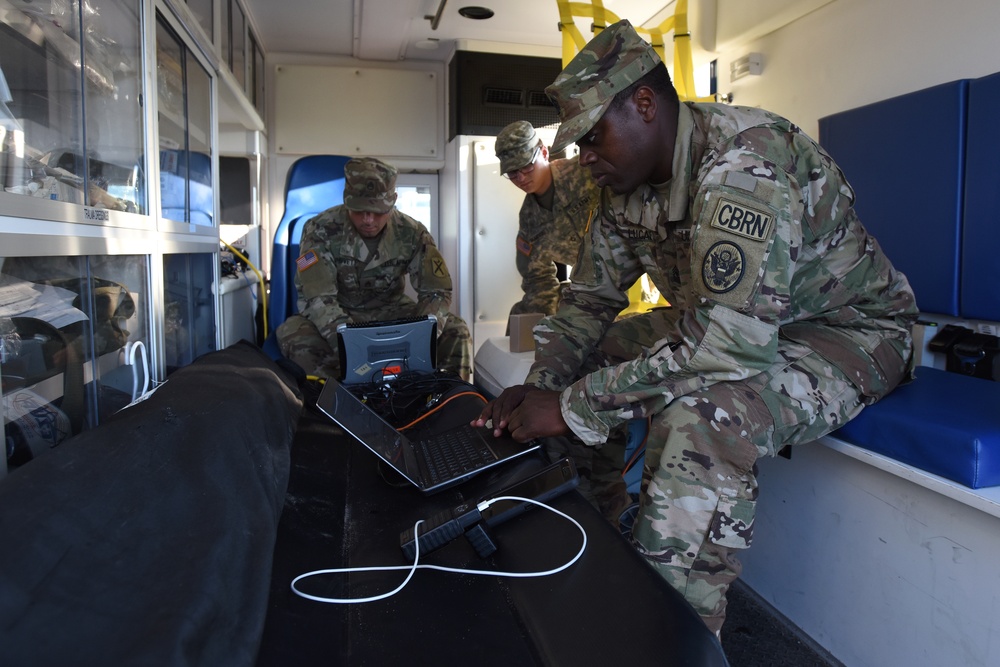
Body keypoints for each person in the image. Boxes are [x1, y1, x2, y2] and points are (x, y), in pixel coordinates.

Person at [474, 20, 917, 634]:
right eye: (577, 145)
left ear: (646, 105)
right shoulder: (622, 182)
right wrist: (545, 382)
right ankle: (599, 534)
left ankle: (673, 633)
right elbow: (588, 300)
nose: (586, 159)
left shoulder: (744, 167)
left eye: (594, 137)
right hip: (736, 327)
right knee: (591, 353)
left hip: (847, 331)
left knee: (701, 420)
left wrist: (574, 405)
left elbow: (725, 351)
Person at [276, 157, 472, 381]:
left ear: (393, 201)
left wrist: (420, 335)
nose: (368, 220)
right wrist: (353, 341)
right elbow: (317, 297)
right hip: (339, 312)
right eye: (359, 210)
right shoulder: (320, 229)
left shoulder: (412, 232)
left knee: (456, 330)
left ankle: (448, 401)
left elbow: (436, 292)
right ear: (347, 201)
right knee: (296, 337)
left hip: (393, 312)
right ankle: (328, 409)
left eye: (377, 211)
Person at [494, 120, 599, 319]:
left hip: (635, 258)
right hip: (592, 286)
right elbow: (537, 278)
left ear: (543, 153)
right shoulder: (529, 218)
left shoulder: (585, 172)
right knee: (522, 311)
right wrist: (545, 327)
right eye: (512, 173)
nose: (521, 178)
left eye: (526, 167)